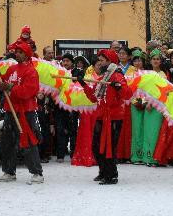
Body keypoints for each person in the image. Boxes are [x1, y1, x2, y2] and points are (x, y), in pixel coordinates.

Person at [0, 42, 44, 184]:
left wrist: (11, 87)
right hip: (10, 110)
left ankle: (37, 173)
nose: (17, 54)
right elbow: (1, 83)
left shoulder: (31, 72)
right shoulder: (12, 68)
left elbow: (28, 92)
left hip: (25, 112)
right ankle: (8, 171)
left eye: (20, 52)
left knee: (28, 141)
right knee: (8, 142)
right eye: (16, 51)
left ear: (26, 54)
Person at [78, 49, 132, 184]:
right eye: (99, 60)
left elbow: (127, 94)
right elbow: (93, 98)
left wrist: (119, 87)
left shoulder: (117, 75)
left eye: (102, 60)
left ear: (110, 61)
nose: (99, 62)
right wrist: (83, 83)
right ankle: (103, 171)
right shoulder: (103, 78)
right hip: (101, 116)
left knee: (110, 146)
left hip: (114, 117)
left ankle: (111, 174)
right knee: (97, 146)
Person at [71, 56, 101, 167]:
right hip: (88, 110)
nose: (100, 67)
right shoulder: (88, 77)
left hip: (100, 110)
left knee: (99, 133)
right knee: (87, 132)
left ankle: (98, 156)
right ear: (93, 66)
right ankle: (86, 155)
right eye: (98, 65)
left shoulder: (104, 77)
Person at [54, 53, 78, 163]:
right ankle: (60, 154)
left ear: (72, 63)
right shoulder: (58, 72)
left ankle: (73, 153)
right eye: (64, 61)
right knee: (60, 131)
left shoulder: (77, 72)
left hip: (73, 106)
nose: (65, 63)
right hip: (60, 106)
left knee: (73, 131)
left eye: (68, 61)